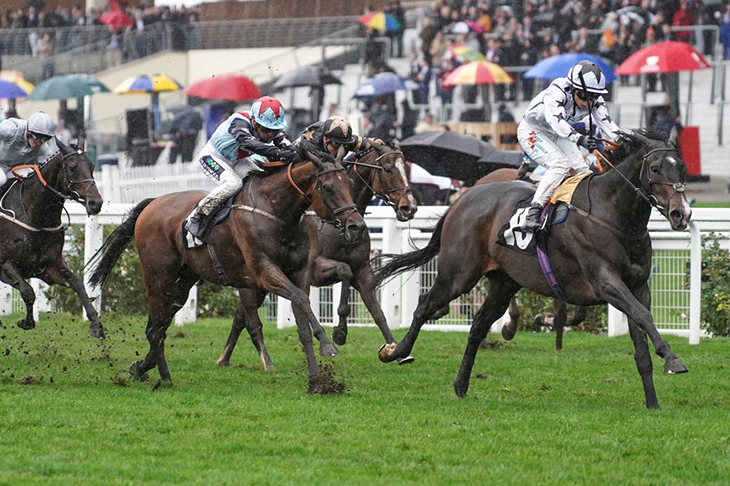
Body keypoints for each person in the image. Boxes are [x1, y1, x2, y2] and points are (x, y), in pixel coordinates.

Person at [517, 61, 621, 232]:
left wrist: (627, 141)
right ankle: (532, 213)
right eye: (584, 96)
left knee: (584, 171)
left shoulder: (594, 99)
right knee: (560, 165)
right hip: (532, 131)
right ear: (573, 88)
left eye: (593, 97)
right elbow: (555, 120)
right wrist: (580, 139)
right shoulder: (557, 90)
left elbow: (608, 126)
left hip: (558, 134)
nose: (588, 102)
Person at [183, 96, 300, 244]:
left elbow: (288, 146)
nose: (271, 134)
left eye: (274, 130)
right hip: (212, 157)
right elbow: (247, 142)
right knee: (233, 183)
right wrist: (277, 153)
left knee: (262, 181)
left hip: (238, 161)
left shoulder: (270, 129)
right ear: (255, 122)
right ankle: (197, 216)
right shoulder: (240, 121)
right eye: (266, 130)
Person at [0, 111, 57, 188]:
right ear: (28, 130)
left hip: (12, 168)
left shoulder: (43, 148)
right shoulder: (11, 129)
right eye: (36, 137)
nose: (39, 143)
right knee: (1, 179)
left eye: (43, 140)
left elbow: (46, 169)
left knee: (30, 175)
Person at [295, 115, 367, 157]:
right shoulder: (311, 145)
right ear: (325, 139)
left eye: (345, 145)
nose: (340, 150)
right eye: (336, 144)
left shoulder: (344, 139)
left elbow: (366, 143)